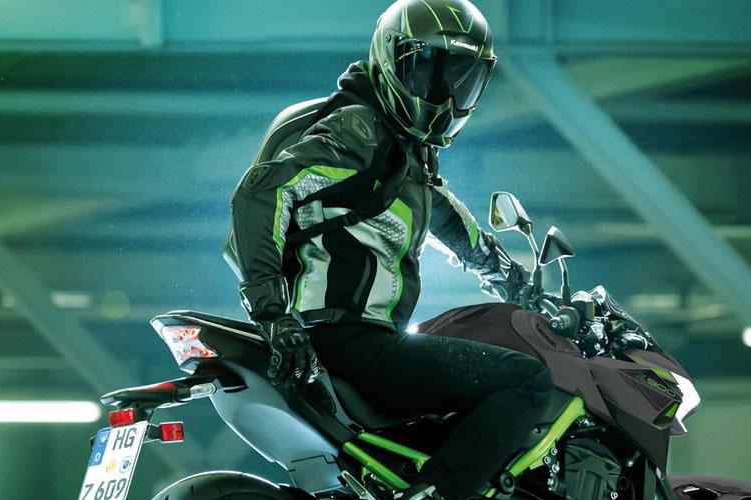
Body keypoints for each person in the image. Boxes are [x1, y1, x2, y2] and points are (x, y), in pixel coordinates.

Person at [223, 1, 554, 498]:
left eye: (459, 78)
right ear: (388, 58)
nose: (442, 93)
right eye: (426, 68)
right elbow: (261, 193)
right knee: (528, 381)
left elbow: (445, 215)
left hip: (340, 340)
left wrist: (506, 274)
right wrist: (271, 312)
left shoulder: (399, 152)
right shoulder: (360, 132)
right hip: (350, 341)